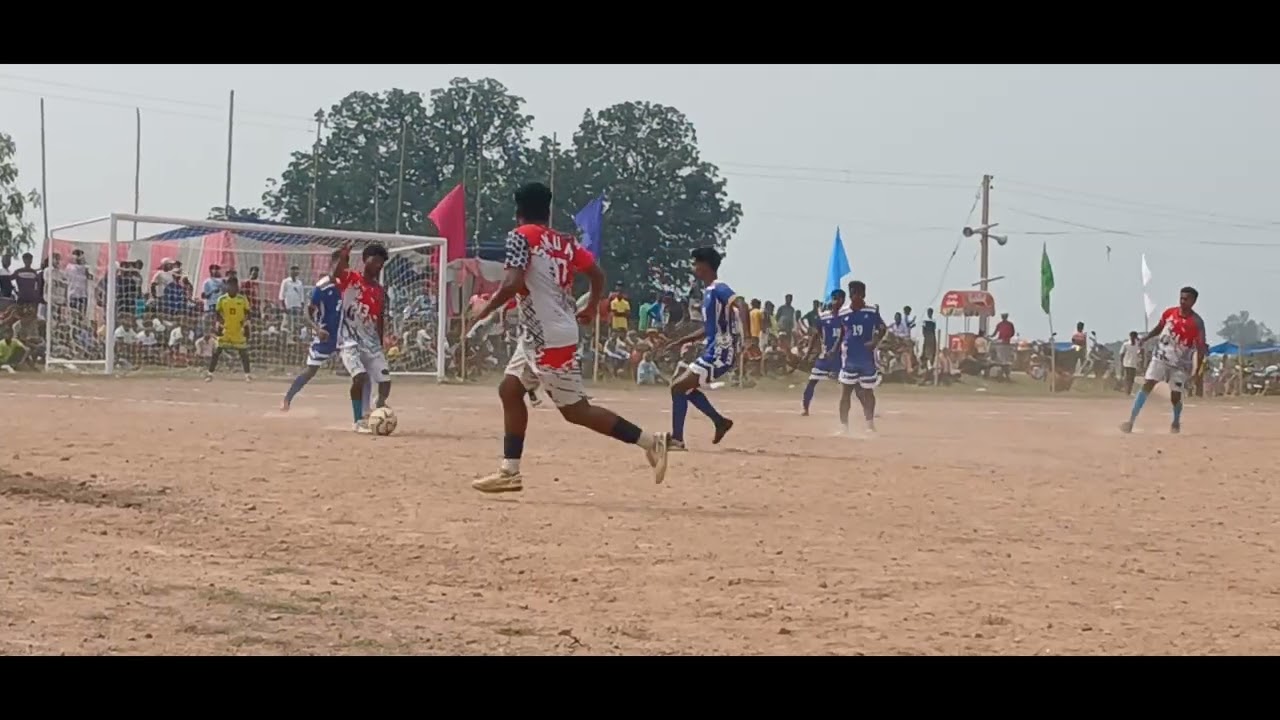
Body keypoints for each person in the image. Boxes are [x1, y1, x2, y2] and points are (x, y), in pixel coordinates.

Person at [470, 182, 669, 493]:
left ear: (518, 210)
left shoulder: (519, 237)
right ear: (547, 210)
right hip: (542, 332)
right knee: (510, 389)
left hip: (547, 338)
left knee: (576, 411)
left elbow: (512, 283)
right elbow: (597, 274)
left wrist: (484, 308)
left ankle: (650, 442)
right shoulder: (562, 242)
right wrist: (590, 305)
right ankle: (510, 471)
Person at [665, 247, 747, 451]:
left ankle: (677, 440)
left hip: (721, 351)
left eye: (695, 264)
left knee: (678, 387)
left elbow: (742, 305)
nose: (693, 268)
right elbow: (708, 327)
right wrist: (683, 340)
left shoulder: (719, 288)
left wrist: (750, 339)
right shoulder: (709, 293)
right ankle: (719, 422)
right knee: (685, 388)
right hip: (713, 349)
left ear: (704, 266)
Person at [1121, 287, 1207, 434]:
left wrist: (1197, 370)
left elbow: (1200, 348)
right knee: (1148, 385)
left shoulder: (1197, 323)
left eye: (1186, 299)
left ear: (1193, 301)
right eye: (1181, 298)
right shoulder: (1170, 313)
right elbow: (1159, 328)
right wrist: (1147, 338)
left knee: (1175, 395)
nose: (1182, 301)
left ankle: (1175, 421)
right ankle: (1131, 420)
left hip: (1180, 364)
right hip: (1160, 357)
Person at [331, 243, 392, 433]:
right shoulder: (352, 279)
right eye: (375, 261)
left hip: (371, 342)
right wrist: (343, 256)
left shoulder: (380, 291)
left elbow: (380, 317)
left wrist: (381, 342)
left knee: (385, 383)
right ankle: (358, 420)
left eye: (381, 264)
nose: (378, 266)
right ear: (365, 260)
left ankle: (378, 403)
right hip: (349, 341)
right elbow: (335, 273)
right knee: (360, 377)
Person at [282, 251, 345, 411]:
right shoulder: (322, 287)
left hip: (345, 335)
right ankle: (288, 397)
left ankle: (367, 408)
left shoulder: (348, 284)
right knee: (310, 370)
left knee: (363, 369)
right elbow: (306, 313)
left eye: (345, 263)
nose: (342, 267)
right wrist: (317, 329)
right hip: (327, 335)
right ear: (332, 264)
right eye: (339, 263)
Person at [837, 280, 887, 435]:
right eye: (852, 293)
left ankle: (870, 425)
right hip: (849, 358)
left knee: (867, 391)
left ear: (863, 294)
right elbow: (840, 333)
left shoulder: (871, 311)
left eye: (857, 293)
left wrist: (875, 341)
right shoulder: (843, 313)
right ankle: (844, 427)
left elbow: (882, 328)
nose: (854, 296)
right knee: (846, 392)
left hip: (866, 358)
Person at [800, 288, 846, 416]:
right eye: (834, 299)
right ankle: (805, 407)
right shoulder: (824, 317)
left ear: (843, 301)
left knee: (852, 383)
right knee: (812, 380)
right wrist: (808, 353)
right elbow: (816, 336)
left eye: (838, 299)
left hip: (841, 357)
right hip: (826, 356)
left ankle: (868, 409)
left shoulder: (846, 316)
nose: (835, 302)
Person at [206, 276, 252, 382]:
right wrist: (219, 324)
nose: (232, 287)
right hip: (226, 330)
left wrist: (246, 324)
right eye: (230, 285)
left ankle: (247, 375)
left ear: (237, 287)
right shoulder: (222, 299)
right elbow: (217, 313)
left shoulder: (242, 299)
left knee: (243, 353)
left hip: (237, 330)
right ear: (227, 286)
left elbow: (248, 313)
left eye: (234, 285)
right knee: (217, 352)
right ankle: (210, 374)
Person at [1119, 330, 1142, 395]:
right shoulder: (1126, 344)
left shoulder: (1137, 345)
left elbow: (1140, 351)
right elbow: (1121, 354)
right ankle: (1126, 391)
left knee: (1132, 378)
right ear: (1130, 337)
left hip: (1133, 364)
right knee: (1127, 377)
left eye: (1134, 336)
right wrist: (1121, 363)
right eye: (1132, 336)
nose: (1133, 338)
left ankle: (1129, 391)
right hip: (1126, 363)